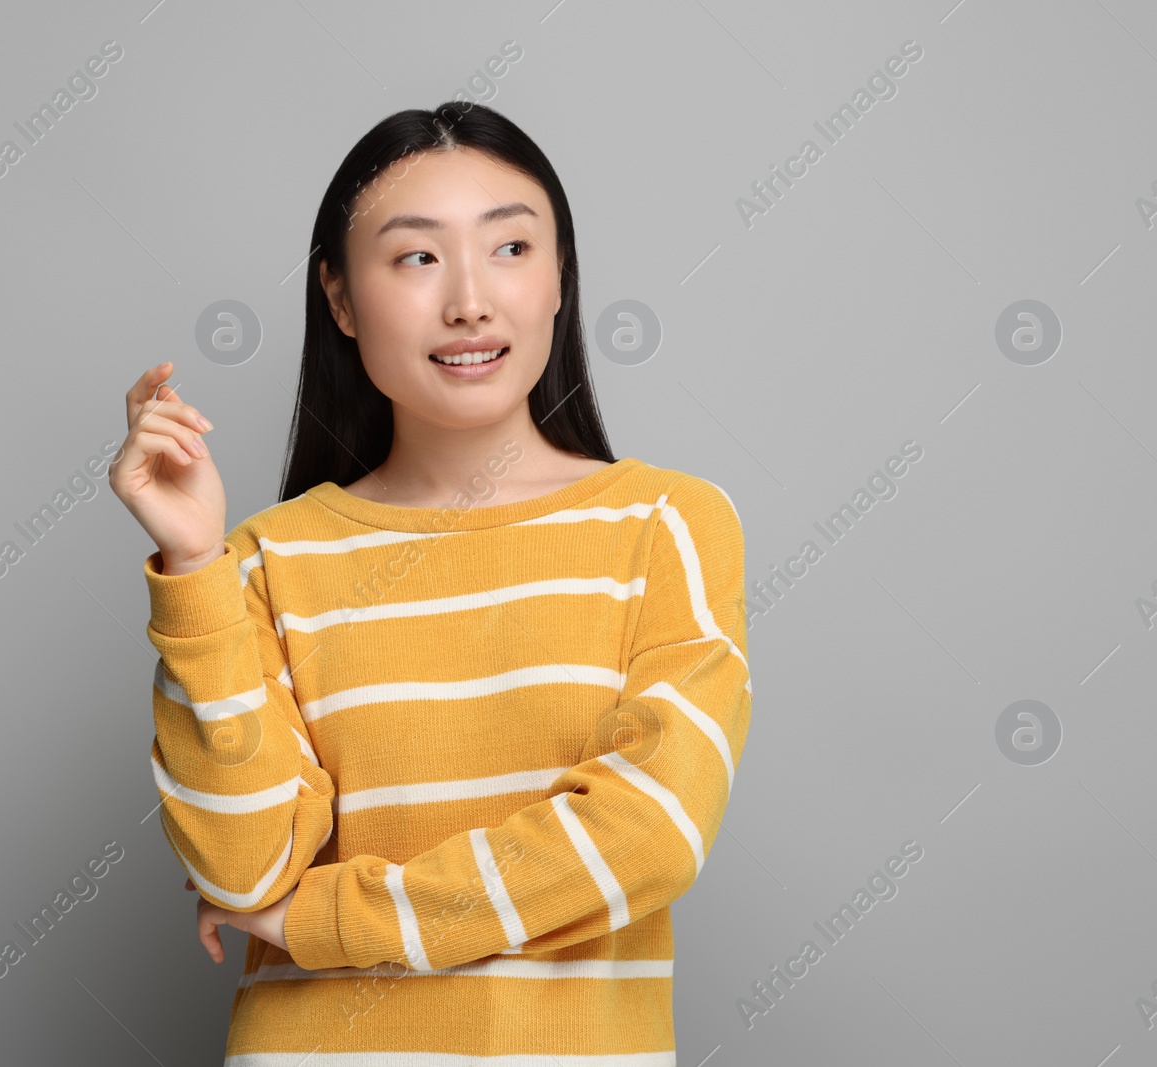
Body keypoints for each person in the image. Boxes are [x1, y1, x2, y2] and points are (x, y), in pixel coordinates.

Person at [109, 101, 752, 1062]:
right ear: (338, 297)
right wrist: (196, 565)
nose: (470, 301)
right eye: (416, 257)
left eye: (511, 248)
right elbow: (245, 871)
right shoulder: (263, 562)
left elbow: (650, 832)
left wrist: (330, 921)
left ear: (560, 278)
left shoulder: (665, 525)